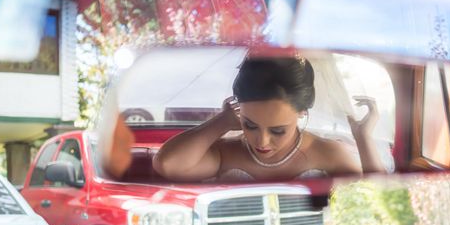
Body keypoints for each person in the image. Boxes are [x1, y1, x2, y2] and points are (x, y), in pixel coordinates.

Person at [152, 56, 383, 182]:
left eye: (278, 130)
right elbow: (168, 165)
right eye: (250, 125)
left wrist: (363, 139)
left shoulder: (329, 153)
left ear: (302, 111)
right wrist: (221, 122)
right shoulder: (226, 153)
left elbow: (375, 203)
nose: (261, 141)